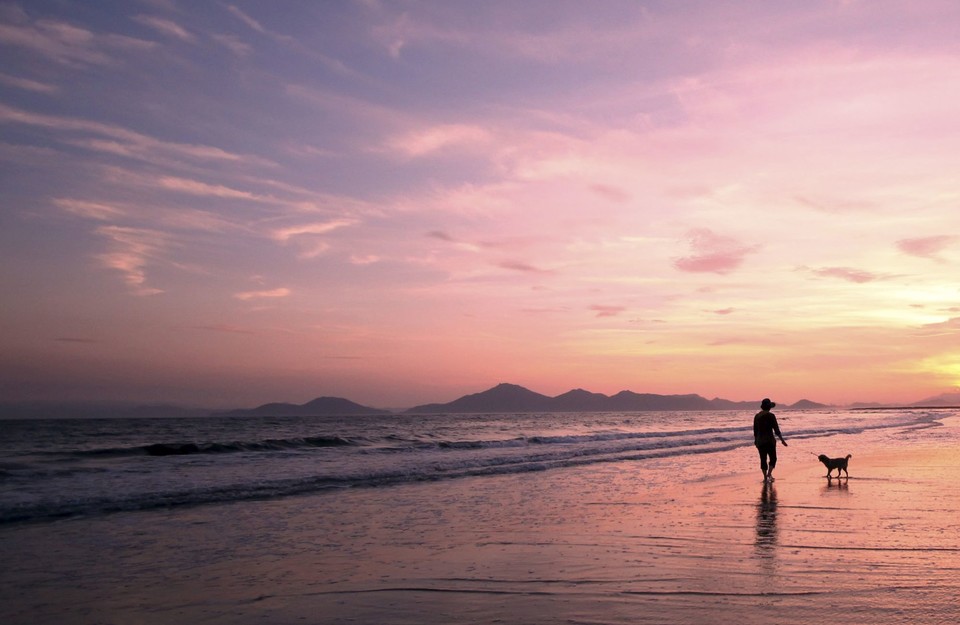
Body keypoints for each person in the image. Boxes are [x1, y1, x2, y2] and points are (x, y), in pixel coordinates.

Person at [753, 398, 787, 481]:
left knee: (763, 459)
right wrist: (782, 440)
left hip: (760, 441)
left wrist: (756, 441)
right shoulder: (771, 416)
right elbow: (776, 430)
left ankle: (765, 477)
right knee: (773, 458)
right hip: (770, 441)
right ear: (769, 407)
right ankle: (769, 474)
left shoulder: (757, 416)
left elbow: (755, 431)